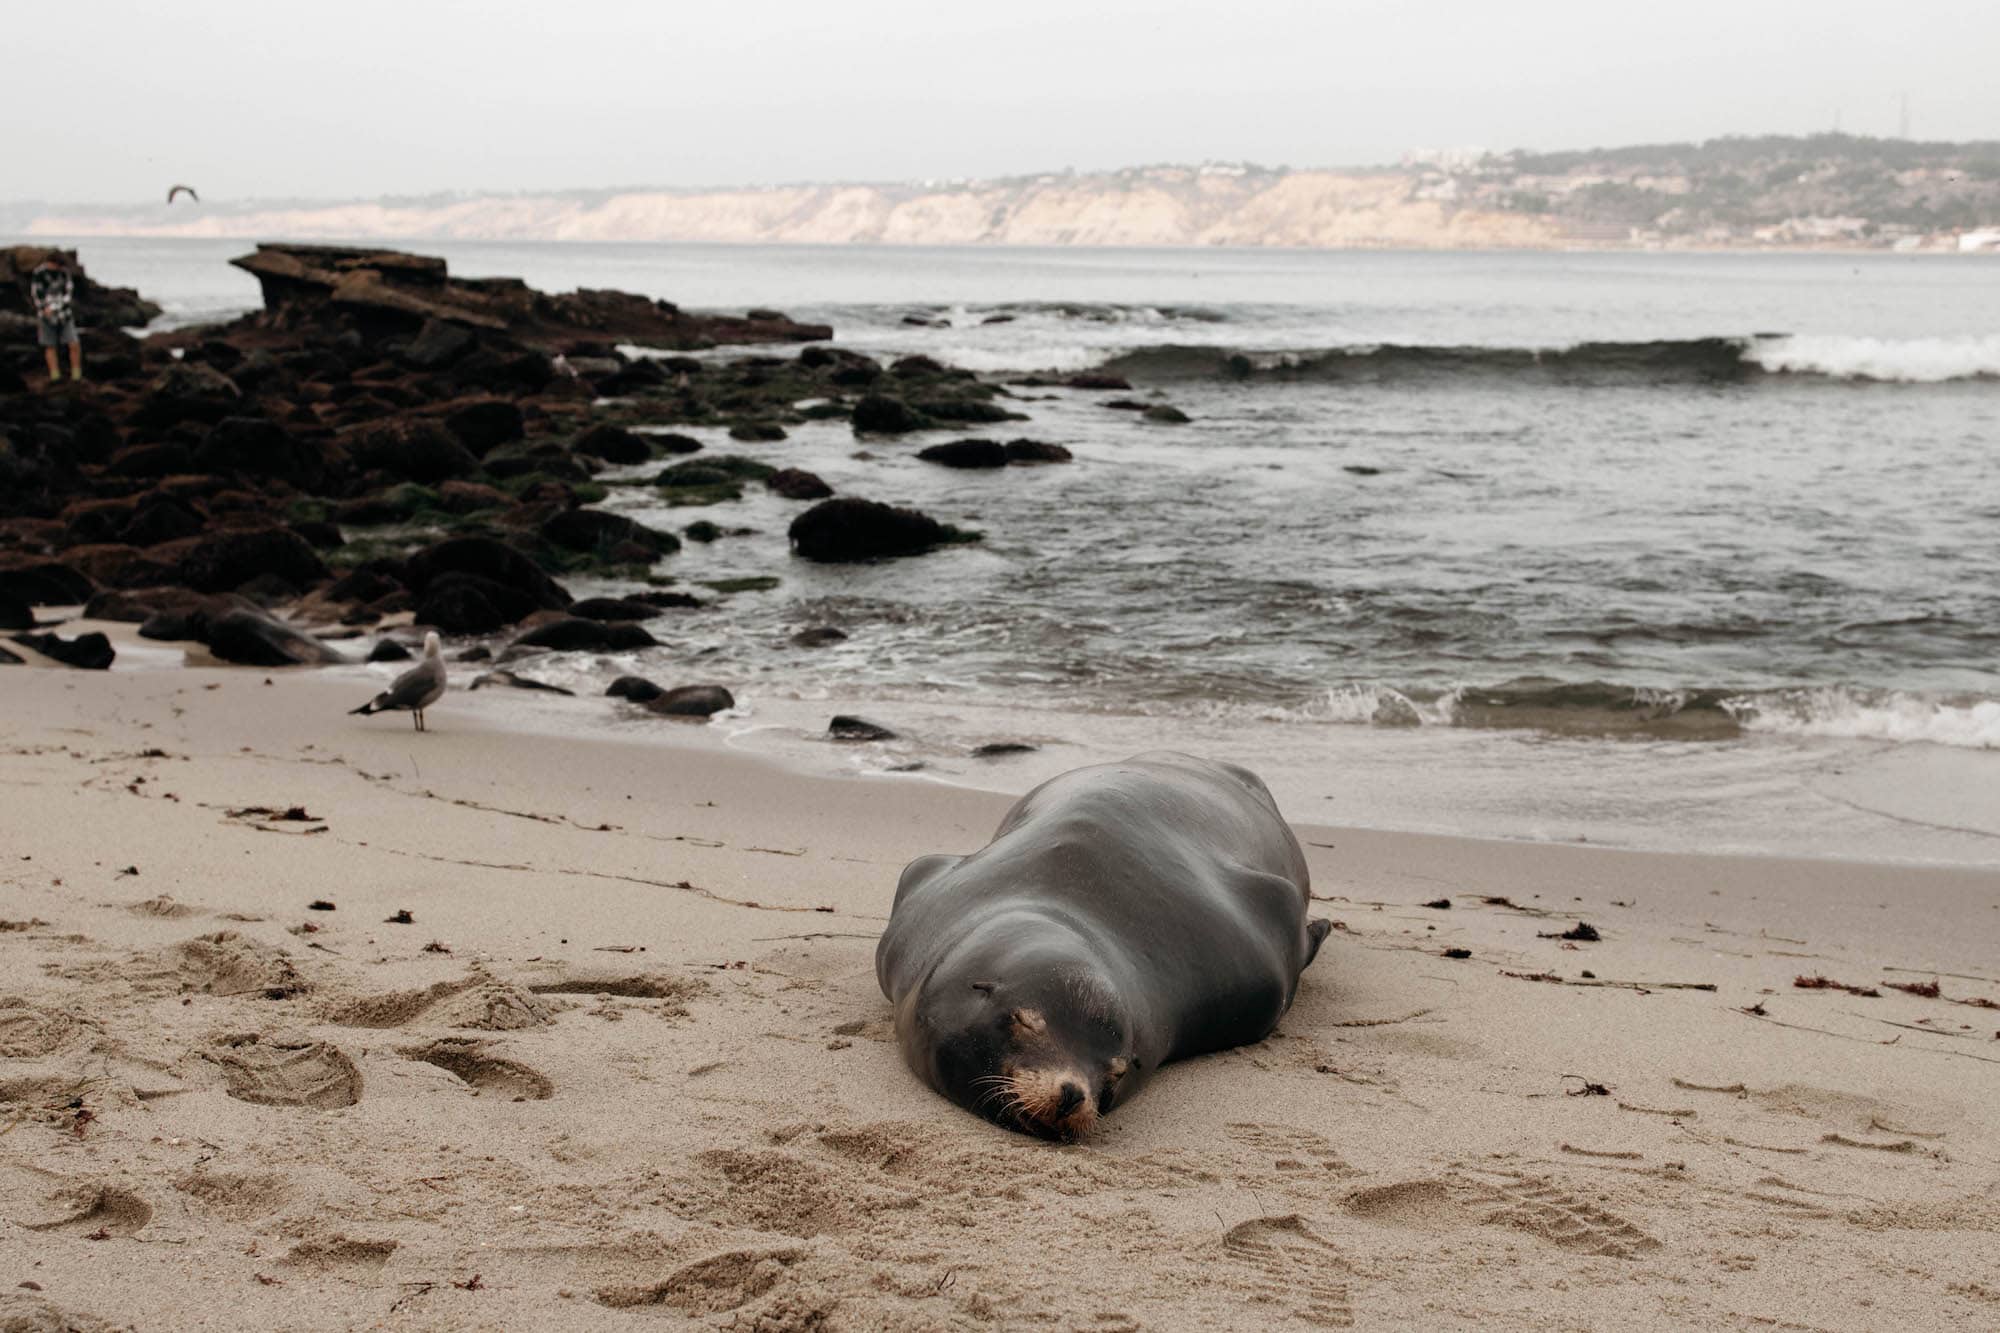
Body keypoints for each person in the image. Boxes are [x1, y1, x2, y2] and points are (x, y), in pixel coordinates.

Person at [30, 254, 82, 384]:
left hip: (65, 315)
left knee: (74, 344)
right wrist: (44, 308)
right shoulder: (39, 274)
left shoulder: (65, 274)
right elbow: (36, 294)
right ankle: (55, 376)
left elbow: (68, 295)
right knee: (50, 345)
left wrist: (53, 308)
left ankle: (76, 375)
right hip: (45, 317)